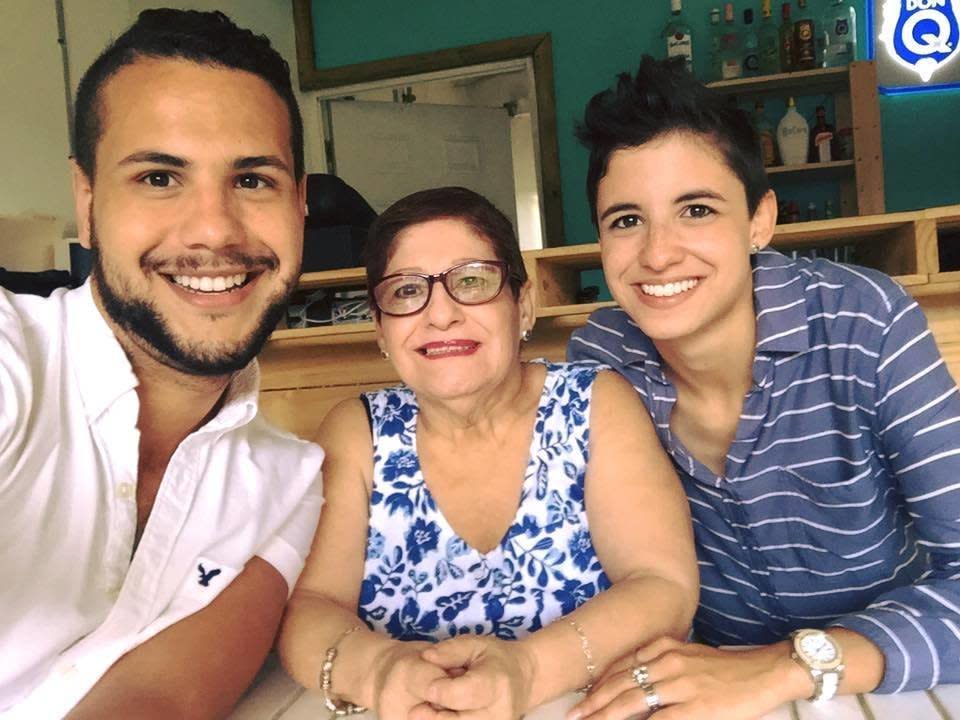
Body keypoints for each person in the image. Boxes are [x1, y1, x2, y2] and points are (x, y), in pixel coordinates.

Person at [567, 56, 960, 720]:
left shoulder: (864, 323)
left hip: (895, 678)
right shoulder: (603, 359)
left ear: (759, 220)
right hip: (704, 690)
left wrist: (788, 667)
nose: (658, 253)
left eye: (696, 209)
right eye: (626, 220)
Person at [0, 10, 324, 718]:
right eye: (158, 177)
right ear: (87, 202)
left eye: (253, 180)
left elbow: (161, 699)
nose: (213, 228)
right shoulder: (13, 361)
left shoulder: (289, 482)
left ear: (300, 205)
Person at [277, 187, 698, 719]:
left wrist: (526, 672)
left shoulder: (595, 405)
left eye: (471, 281)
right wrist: (381, 672)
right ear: (381, 329)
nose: (441, 314)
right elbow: (310, 610)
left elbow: (663, 588)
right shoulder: (356, 431)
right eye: (407, 291)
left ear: (521, 306)